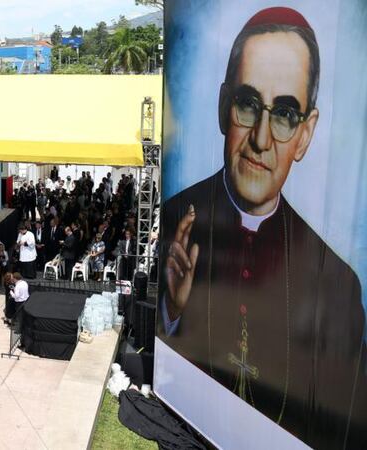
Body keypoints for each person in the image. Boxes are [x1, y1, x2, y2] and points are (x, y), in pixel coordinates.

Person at [159, 8, 366, 448]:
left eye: (286, 114)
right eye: (249, 104)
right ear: (222, 106)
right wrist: (172, 313)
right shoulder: (175, 218)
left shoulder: (339, 285)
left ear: (306, 135)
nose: (262, 139)